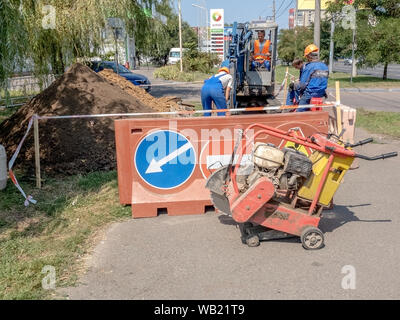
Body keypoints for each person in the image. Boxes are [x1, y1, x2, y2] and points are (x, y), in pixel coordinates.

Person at [296, 44, 329, 112]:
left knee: (299, 111)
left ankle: (290, 108)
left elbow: (302, 85)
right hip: (321, 93)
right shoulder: (325, 66)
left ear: (308, 56)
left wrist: (296, 85)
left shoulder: (309, 67)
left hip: (310, 93)